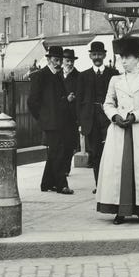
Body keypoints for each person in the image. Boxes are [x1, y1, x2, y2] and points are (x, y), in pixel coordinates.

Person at [95, 34, 139, 224]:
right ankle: (120, 210)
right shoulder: (115, 80)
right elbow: (108, 103)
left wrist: (135, 116)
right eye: (121, 57)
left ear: (138, 58)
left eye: (128, 57)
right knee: (119, 169)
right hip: (119, 129)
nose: (123, 61)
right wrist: (115, 116)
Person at [27, 45, 73, 194]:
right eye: (56, 60)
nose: (59, 63)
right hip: (50, 122)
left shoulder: (58, 76)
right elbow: (32, 102)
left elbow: (58, 99)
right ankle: (61, 185)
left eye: (60, 60)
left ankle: (46, 183)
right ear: (48, 59)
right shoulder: (40, 76)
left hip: (61, 122)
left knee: (55, 152)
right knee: (58, 152)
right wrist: (42, 118)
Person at [76, 41, 118, 193]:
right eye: (94, 54)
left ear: (105, 55)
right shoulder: (83, 76)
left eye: (100, 54)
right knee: (95, 152)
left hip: (108, 118)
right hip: (90, 119)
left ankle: (112, 183)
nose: (97, 57)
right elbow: (79, 101)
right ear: (90, 56)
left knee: (111, 151)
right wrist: (80, 122)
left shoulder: (113, 74)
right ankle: (99, 184)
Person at [60, 48, 81, 179]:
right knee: (59, 144)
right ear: (63, 61)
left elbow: (82, 95)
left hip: (72, 117)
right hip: (59, 116)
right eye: (67, 61)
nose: (70, 64)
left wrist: (75, 97)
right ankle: (59, 168)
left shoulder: (79, 76)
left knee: (69, 144)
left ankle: (66, 169)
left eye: (72, 61)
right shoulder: (57, 75)